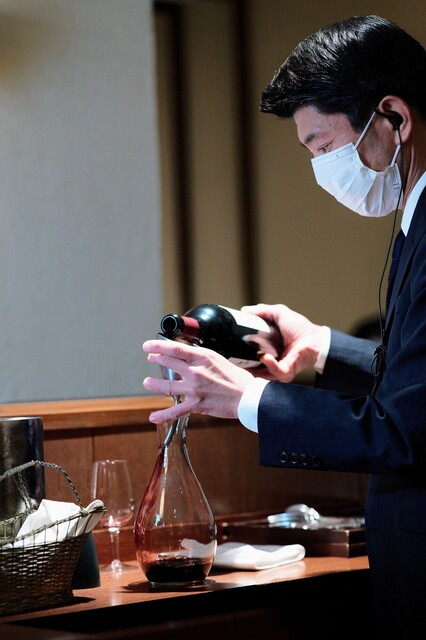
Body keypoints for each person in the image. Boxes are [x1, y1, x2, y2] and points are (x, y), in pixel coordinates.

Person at [142, 15, 426, 638]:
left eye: (324, 148)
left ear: (394, 118)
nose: (321, 169)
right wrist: (320, 348)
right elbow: (416, 378)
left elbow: (406, 429)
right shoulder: (415, 216)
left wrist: (249, 398)